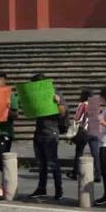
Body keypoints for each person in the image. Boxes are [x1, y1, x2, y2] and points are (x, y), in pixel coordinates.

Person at [28, 73, 67, 201]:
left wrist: (58, 102)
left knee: (53, 162)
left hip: (51, 131)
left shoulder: (54, 92)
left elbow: (63, 112)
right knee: (41, 163)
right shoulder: (37, 95)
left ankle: (58, 189)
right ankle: (41, 188)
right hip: (39, 130)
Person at [68, 88, 101, 183]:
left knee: (79, 151)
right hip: (94, 130)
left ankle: (75, 173)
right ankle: (98, 174)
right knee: (95, 153)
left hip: (84, 131)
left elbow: (77, 118)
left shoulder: (82, 105)